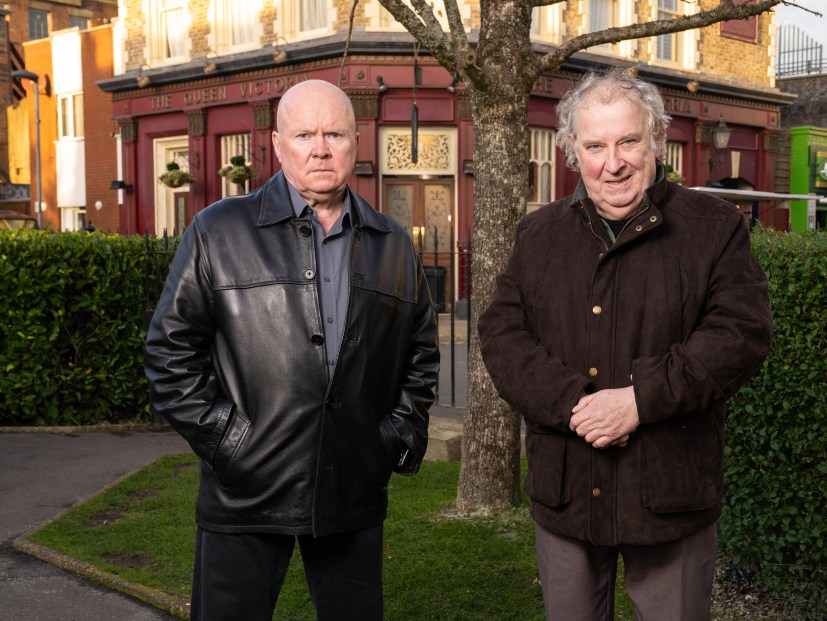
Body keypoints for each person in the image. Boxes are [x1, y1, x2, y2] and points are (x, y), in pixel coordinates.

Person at [477, 67, 773, 621]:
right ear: (572, 151)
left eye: (628, 141)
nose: (613, 162)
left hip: (669, 493)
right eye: (595, 145)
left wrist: (638, 401)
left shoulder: (714, 227)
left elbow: (740, 332)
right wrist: (576, 405)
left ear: (655, 138)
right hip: (566, 490)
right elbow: (502, 334)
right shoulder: (538, 234)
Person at [144, 79, 439, 621]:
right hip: (246, 491)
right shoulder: (218, 229)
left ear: (356, 141)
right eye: (305, 134)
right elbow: (169, 352)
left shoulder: (393, 243)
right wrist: (231, 442)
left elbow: (420, 355)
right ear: (278, 144)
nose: (320, 149)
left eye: (334, 133)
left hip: (352, 490)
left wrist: (394, 437)